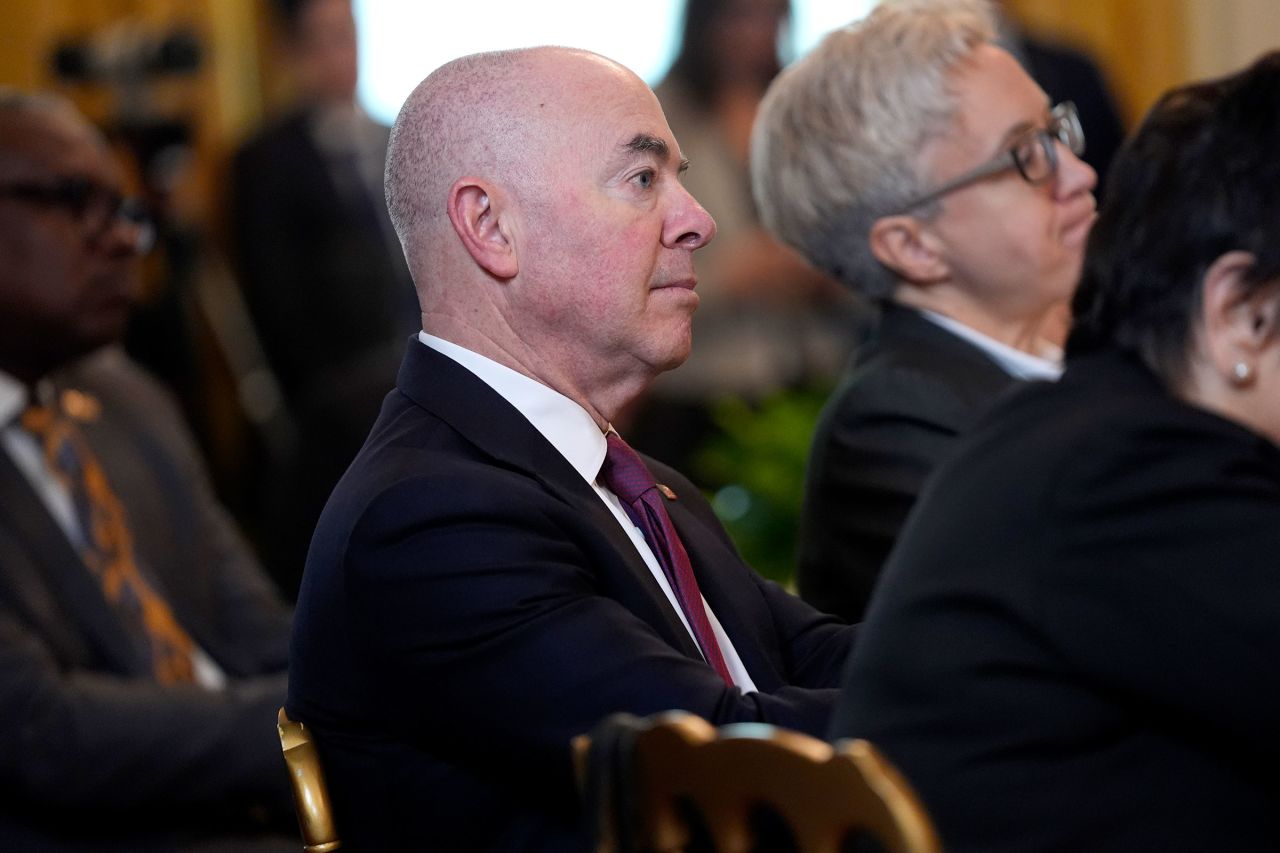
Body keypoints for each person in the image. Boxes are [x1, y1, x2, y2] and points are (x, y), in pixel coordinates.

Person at [287, 46, 857, 851]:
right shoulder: (430, 519)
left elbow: (809, 652)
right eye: (643, 180)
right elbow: (718, 760)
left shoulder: (629, 478)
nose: (699, 219)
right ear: (491, 227)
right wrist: (1019, 703)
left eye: (679, 176)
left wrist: (1013, 666)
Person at [830, 50, 1280, 851]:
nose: (1079, 177)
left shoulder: (1091, 427)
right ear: (1240, 313)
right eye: (1025, 156)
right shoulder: (1129, 471)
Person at [0, 90, 296, 851]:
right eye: (75, 201)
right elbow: (44, 734)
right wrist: (322, 720)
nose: (125, 242)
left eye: (125, 209)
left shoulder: (128, 398)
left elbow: (261, 633)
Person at [750, 0, 1097, 621]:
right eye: (1026, 154)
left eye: (1056, 133)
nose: (1079, 173)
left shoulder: (1113, 339)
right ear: (913, 246)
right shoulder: (897, 419)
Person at [229, 0, 417, 595]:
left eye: (349, 35)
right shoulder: (264, 161)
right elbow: (275, 301)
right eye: (324, 40)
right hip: (336, 398)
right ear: (294, 54)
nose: (342, 56)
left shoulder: (400, 138)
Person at [626, 0, 859, 473]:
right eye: (738, 14)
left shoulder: (809, 117)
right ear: (703, 19)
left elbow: (861, 238)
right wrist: (732, 275)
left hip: (809, 377)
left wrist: (825, 272)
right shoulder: (654, 116)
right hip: (699, 390)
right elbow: (626, 273)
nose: (754, 31)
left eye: (770, 15)